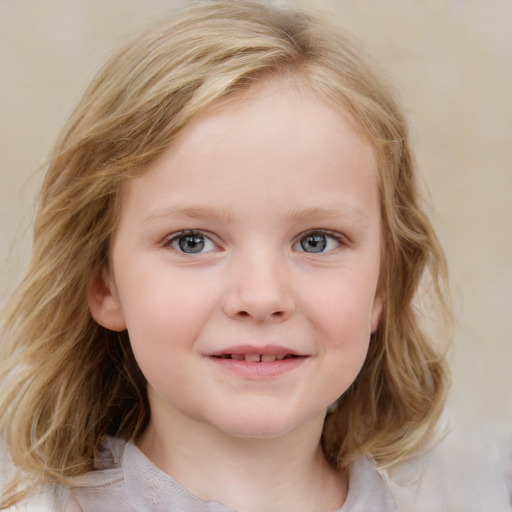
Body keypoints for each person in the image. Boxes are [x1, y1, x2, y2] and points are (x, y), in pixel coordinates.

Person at [0, 1, 510, 510]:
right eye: (192, 241)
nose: (262, 297)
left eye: (316, 241)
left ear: (383, 285)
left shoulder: (474, 494)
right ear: (103, 283)